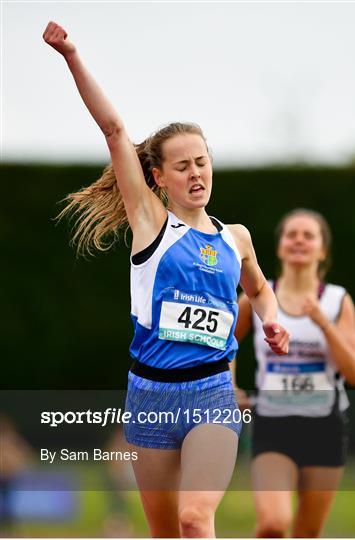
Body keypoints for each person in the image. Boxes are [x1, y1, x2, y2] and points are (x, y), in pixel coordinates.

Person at [42, 21, 289, 538]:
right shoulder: (152, 226)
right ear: (158, 177)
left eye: (202, 162)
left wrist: (273, 323)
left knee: (194, 519)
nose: (196, 173)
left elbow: (261, 289)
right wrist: (71, 55)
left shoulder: (236, 237)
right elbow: (114, 131)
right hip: (149, 395)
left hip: (212, 392)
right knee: (164, 533)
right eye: (182, 166)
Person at [235, 209, 355, 538]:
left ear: (322, 250)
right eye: (291, 234)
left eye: (309, 235)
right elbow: (220, 342)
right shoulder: (259, 297)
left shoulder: (337, 300)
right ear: (279, 247)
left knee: (307, 533)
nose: (299, 240)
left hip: (325, 426)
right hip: (273, 424)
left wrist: (322, 322)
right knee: (273, 523)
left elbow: (354, 373)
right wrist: (229, 386)